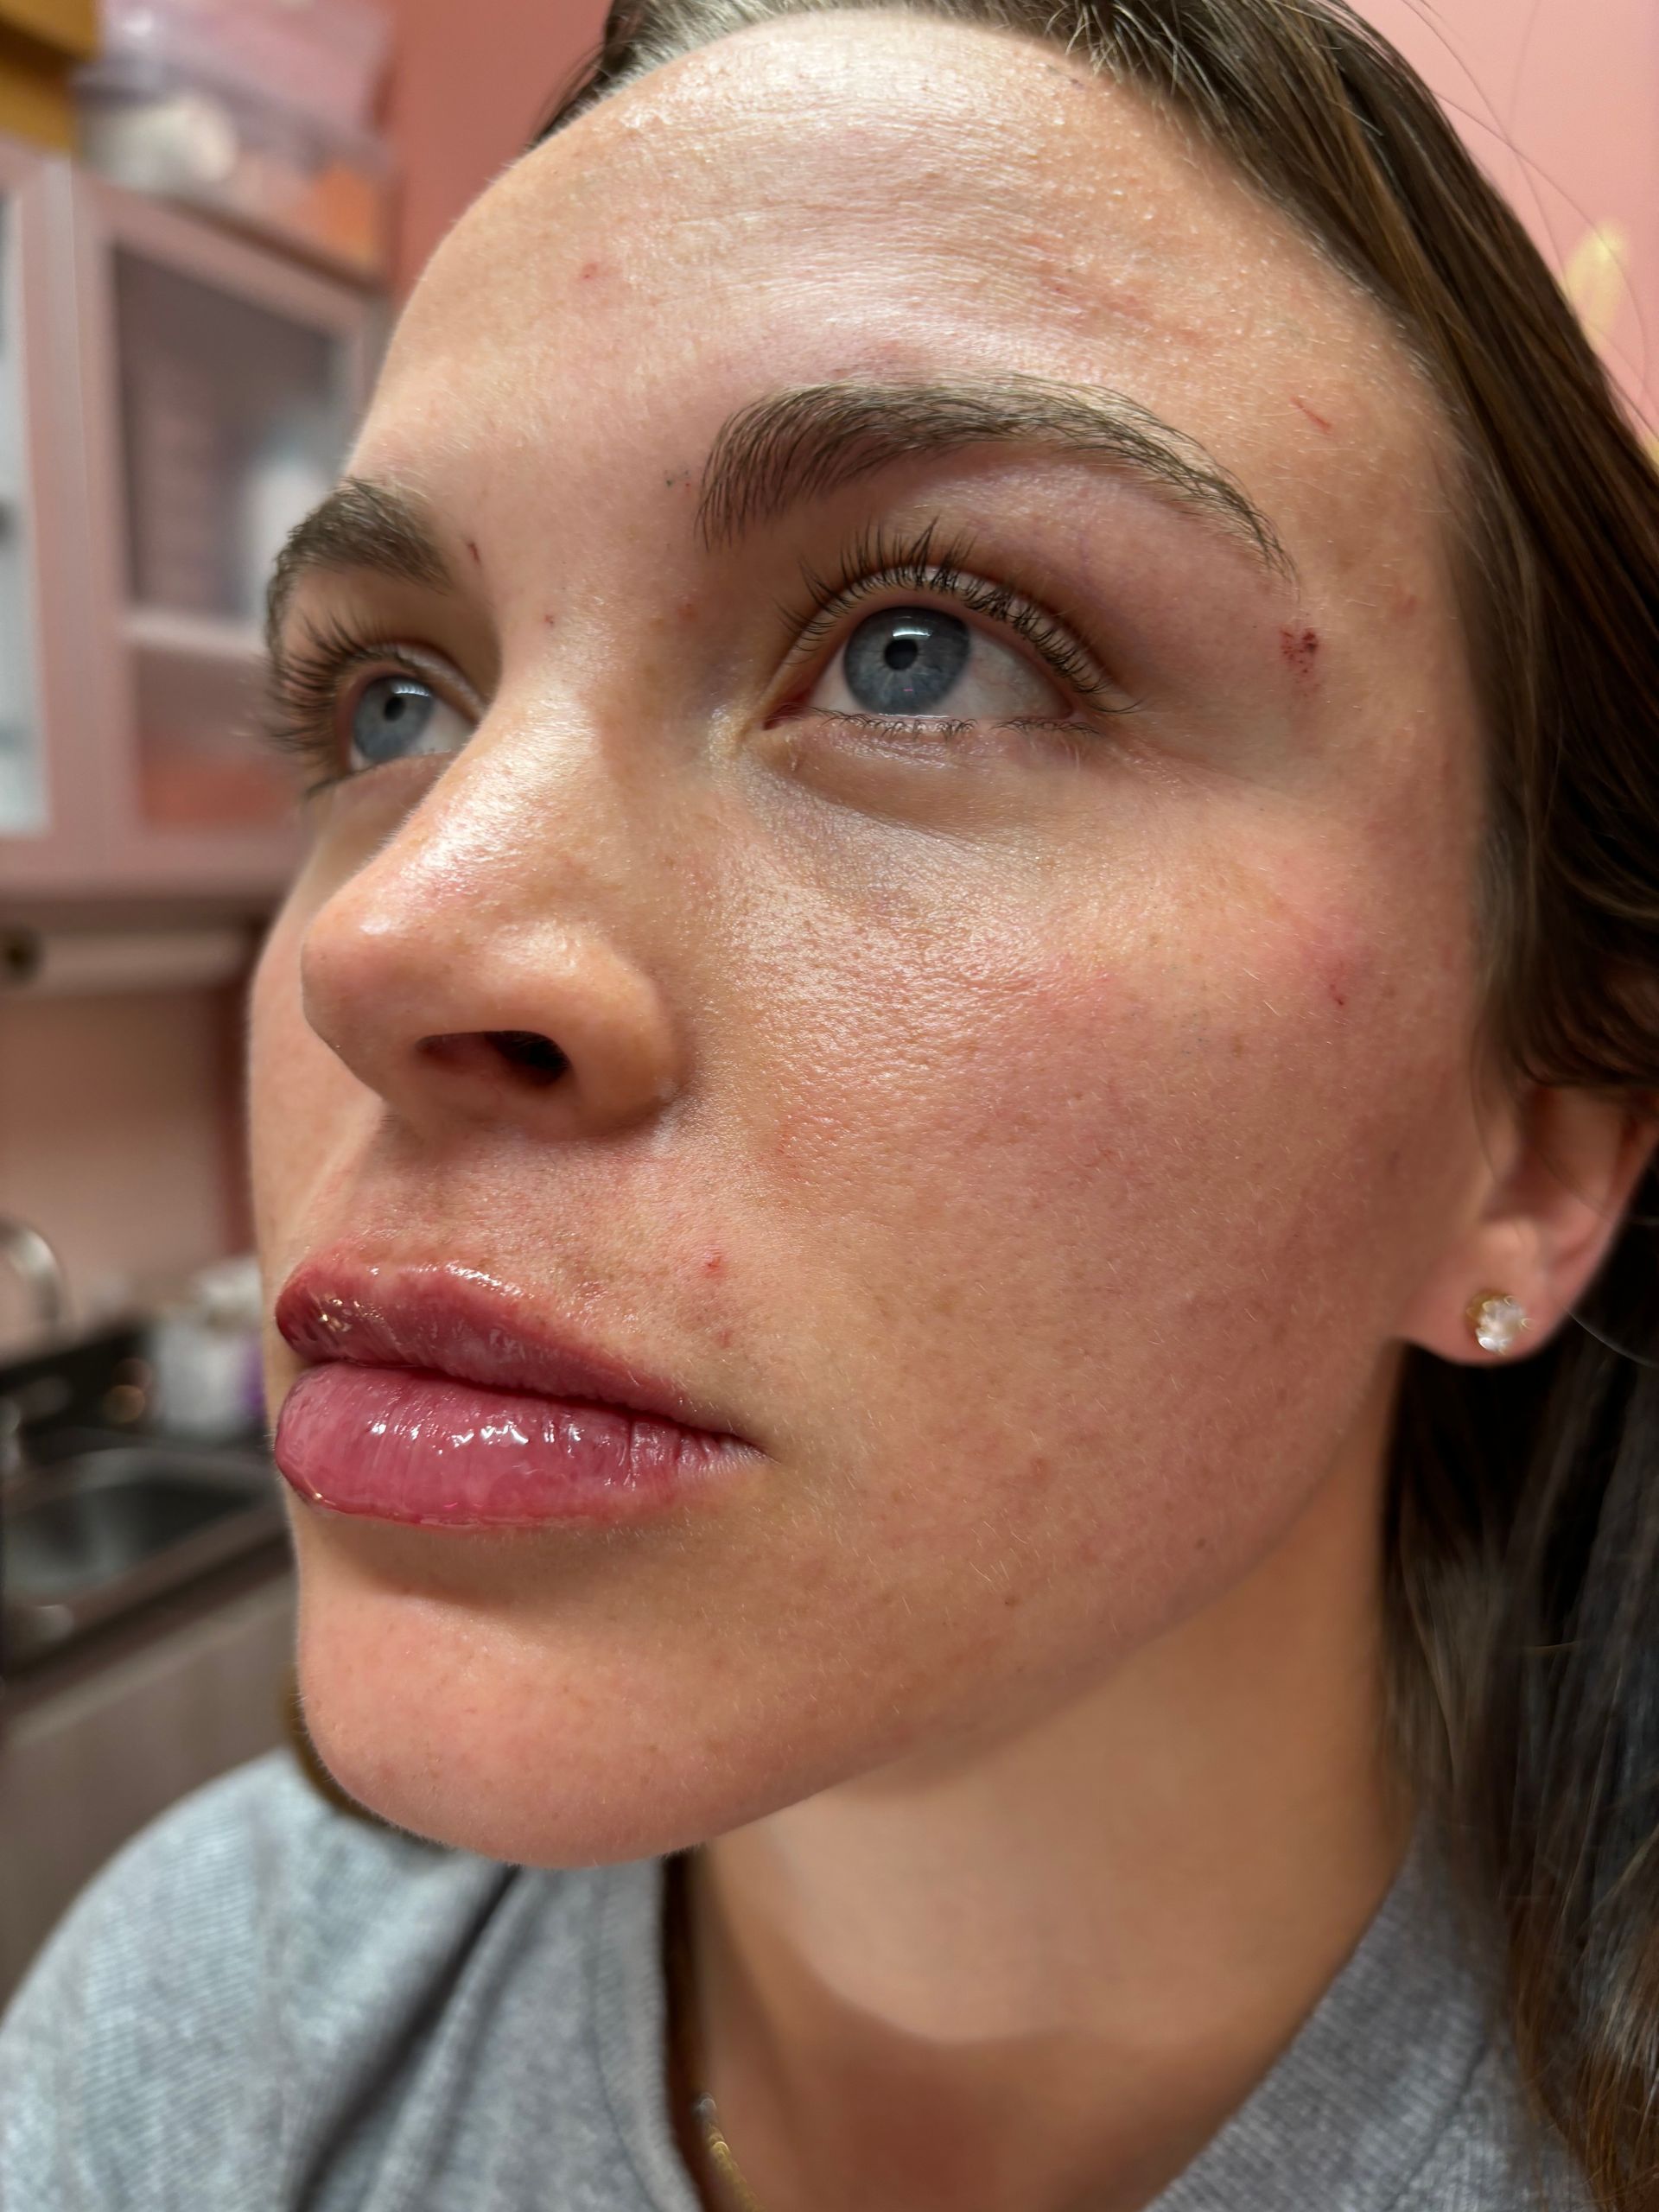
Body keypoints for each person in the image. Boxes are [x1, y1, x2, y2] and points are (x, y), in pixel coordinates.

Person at [6, 1, 1659, 2205]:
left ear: (1536, 1147)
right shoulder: (189, 2028)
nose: (378, 944)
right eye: (392, 700)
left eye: (928, 649)